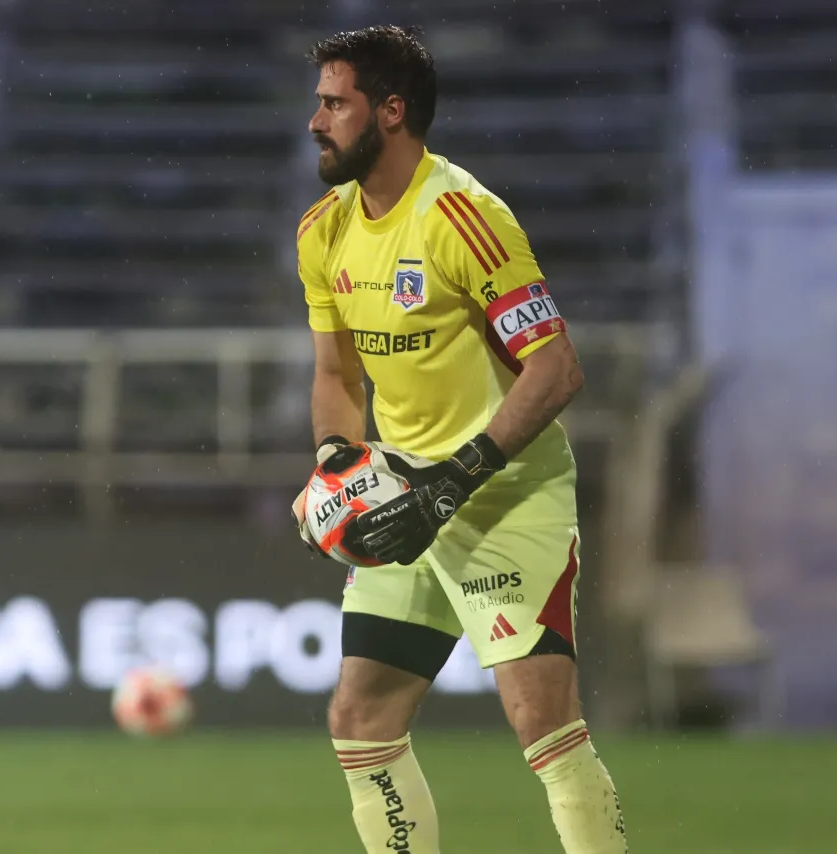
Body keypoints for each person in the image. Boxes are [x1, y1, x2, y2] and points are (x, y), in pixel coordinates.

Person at [290, 25, 628, 854]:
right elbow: (337, 378)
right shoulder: (322, 232)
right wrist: (340, 465)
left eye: (335, 103)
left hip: (505, 499)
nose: (315, 120)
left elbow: (557, 370)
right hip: (409, 501)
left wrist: (455, 480)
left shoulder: (464, 218)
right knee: (360, 717)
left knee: (540, 720)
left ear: (391, 112)